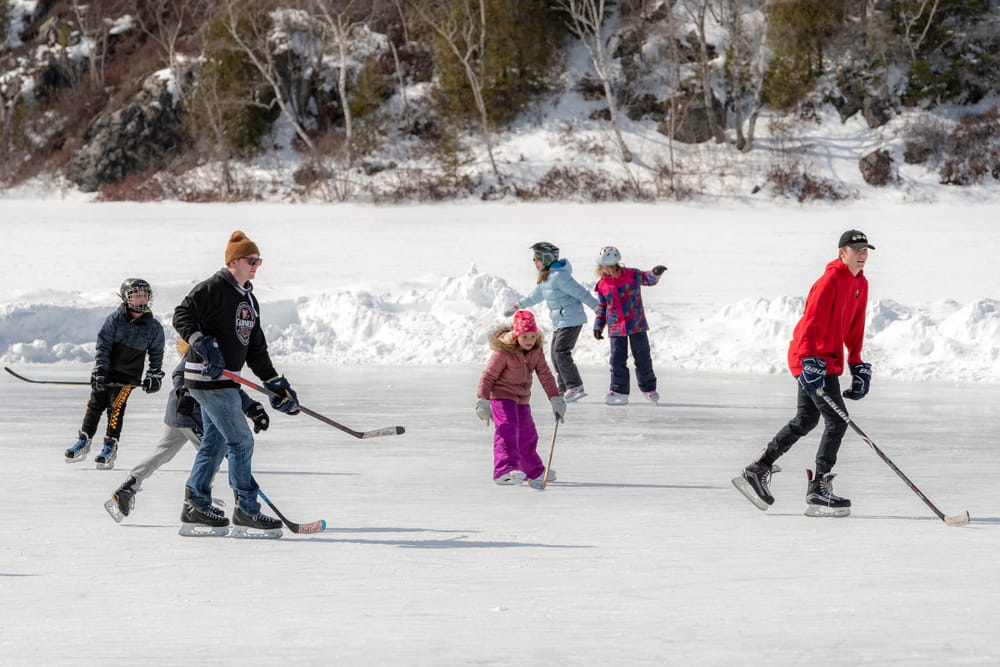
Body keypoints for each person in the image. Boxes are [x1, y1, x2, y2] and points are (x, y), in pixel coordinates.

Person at [733, 229, 875, 518]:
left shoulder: (861, 284)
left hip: (826, 361)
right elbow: (811, 321)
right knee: (837, 420)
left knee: (807, 419)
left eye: (865, 250)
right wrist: (809, 359)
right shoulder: (830, 280)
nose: (862, 254)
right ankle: (819, 486)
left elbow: (855, 329)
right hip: (811, 358)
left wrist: (857, 364)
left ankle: (757, 469)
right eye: (856, 249)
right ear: (842, 252)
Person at [172, 230, 300, 538]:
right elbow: (182, 315)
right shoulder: (213, 288)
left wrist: (274, 382)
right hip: (207, 378)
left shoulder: (249, 300)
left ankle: (196, 506)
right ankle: (246, 509)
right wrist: (202, 342)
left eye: (259, 260)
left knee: (214, 442)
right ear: (234, 261)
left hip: (224, 380)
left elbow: (255, 348)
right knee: (241, 442)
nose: (256, 265)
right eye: (251, 259)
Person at [105, 340, 269, 522]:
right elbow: (179, 373)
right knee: (211, 454)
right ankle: (197, 501)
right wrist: (185, 392)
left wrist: (251, 407)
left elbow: (227, 387)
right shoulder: (205, 348)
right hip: (189, 412)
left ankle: (128, 486)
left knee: (163, 452)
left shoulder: (224, 351)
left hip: (177, 412)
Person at [65, 278, 165, 469]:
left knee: (116, 406)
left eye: (144, 295)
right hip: (108, 371)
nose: (141, 299)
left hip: (128, 377)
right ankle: (84, 439)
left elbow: (156, 354)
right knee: (95, 403)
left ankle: (110, 445)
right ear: (126, 298)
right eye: (136, 296)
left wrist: (154, 375)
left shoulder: (154, 327)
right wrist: (100, 370)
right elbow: (103, 346)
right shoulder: (115, 320)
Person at [476, 310, 567, 489]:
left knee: (528, 433)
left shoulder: (535, 351)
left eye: (533, 336)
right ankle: (504, 470)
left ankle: (533, 470)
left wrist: (555, 399)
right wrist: (483, 401)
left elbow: (545, 375)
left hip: (522, 398)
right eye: (525, 336)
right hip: (501, 396)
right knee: (508, 428)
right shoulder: (503, 351)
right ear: (516, 335)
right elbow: (488, 377)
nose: (530, 340)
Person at [505, 242, 599, 403]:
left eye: (536, 259)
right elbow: (535, 296)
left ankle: (575, 385)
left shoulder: (559, 277)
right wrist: (518, 306)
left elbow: (580, 292)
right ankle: (564, 389)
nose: (534, 262)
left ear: (547, 258)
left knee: (561, 351)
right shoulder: (548, 278)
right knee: (555, 354)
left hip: (571, 319)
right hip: (561, 321)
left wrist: (597, 307)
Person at [592, 246, 667, 406]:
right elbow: (603, 307)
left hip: (636, 323)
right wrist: (598, 326)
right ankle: (619, 390)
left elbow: (647, 278)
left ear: (616, 264)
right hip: (616, 326)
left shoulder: (631, 275)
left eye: (609, 267)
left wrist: (655, 273)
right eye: (603, 267)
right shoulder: (602, 285)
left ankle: (649, 389)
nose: (606, 270)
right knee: (617, 359)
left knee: (642, 357)